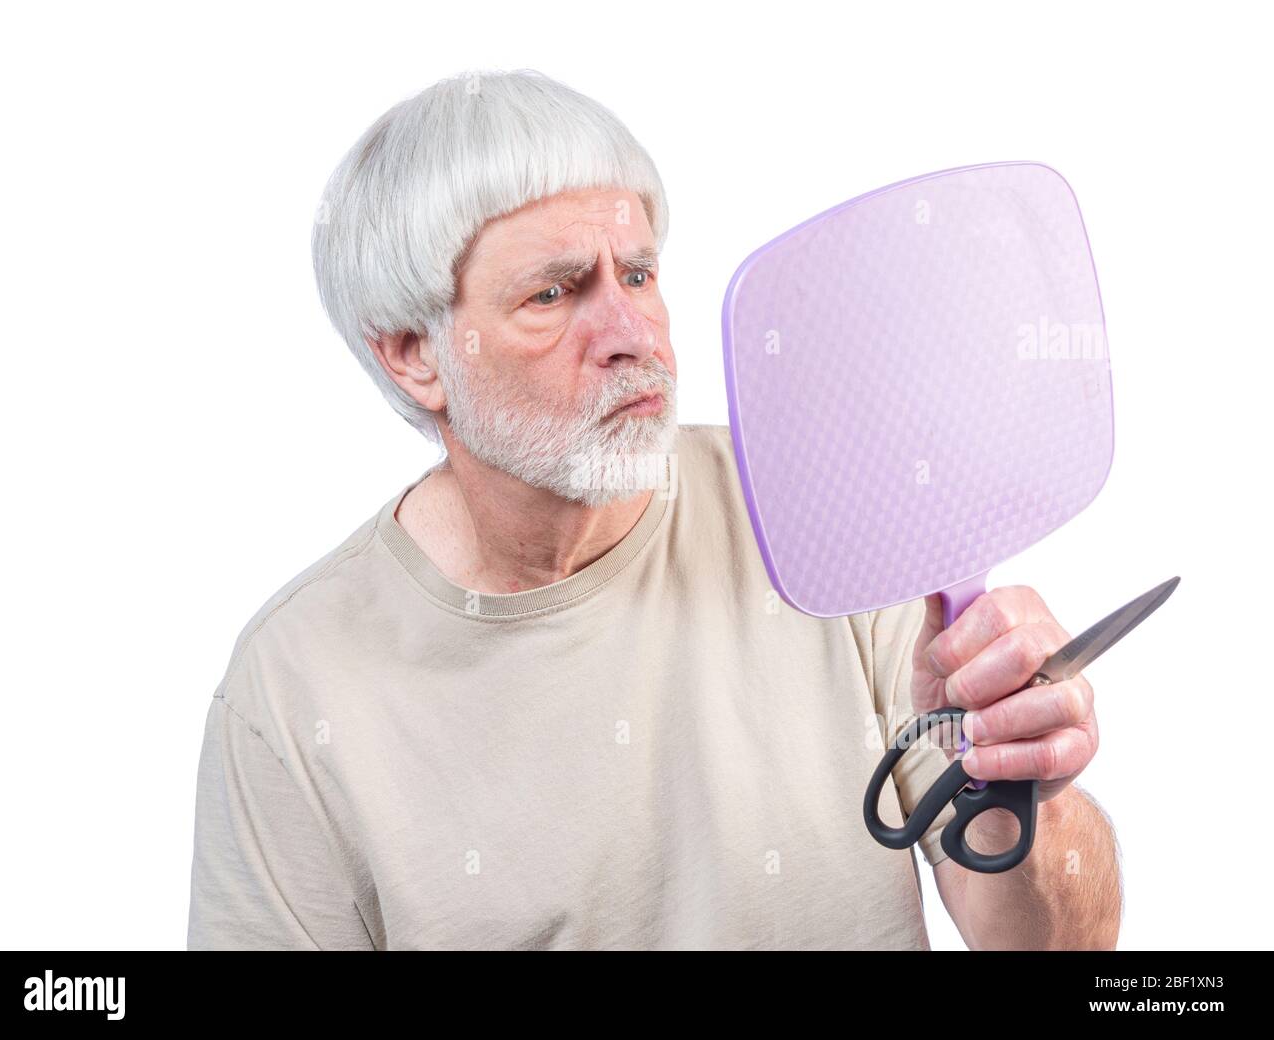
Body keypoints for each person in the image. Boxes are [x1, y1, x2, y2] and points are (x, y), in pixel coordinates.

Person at [187, 68, 1121, 950]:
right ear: (412, 355)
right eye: (553, 293)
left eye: (637, 274)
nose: (632, 335)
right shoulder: (292, 690)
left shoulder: (830, 512)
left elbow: (1058, 945)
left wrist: (1018, 778)